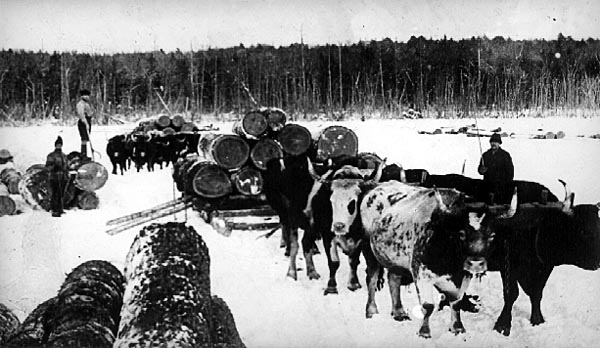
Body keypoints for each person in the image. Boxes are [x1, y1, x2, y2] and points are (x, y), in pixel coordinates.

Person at [478, 133, 514, 204]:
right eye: (492, 142)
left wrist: (507, 185)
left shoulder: (505, 155)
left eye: (496, 142)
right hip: (488, 186)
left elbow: (510, 172)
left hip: (501, 187)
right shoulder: (485, 155)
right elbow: (480, 169)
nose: (493, 144)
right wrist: (481, 170)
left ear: (499, 143)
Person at [45, 136, 69, 217]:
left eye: (60, 144)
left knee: (61, 193)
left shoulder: (64, 156)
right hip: (54, 177)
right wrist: (54, 167)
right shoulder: (51, 155)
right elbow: (48, 167)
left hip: (63, 177)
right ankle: (55, 210)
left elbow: (66, 166)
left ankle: (60, 209)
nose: (59, 146)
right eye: (58, 144)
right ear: (55, 145)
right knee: (55, 194)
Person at [76, 89, 94, 158]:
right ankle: (83, 154)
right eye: (86, 95)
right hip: (83, 122)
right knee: (84, 138)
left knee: (86, 138)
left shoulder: (86, 104)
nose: (87, 97)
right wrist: (86, 123)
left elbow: (89, 113)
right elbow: (81, 115)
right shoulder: (80, 104)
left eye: (88, 96)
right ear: (82, 96)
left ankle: (85, 154)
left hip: (88, 121)